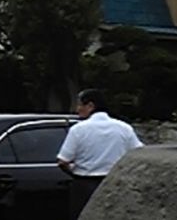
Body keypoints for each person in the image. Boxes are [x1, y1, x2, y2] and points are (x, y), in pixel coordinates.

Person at [57, 89, 143, 219]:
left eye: (80, 105)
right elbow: (138, 153)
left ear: (91, 106)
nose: (77, 109)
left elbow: (63, 161)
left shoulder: (78, 129)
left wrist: (73, 171)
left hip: (84, 185)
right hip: (115, 183)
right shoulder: (124, 128)